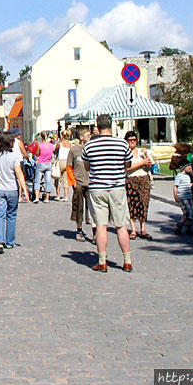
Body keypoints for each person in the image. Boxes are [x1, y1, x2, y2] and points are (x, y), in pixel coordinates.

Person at [81, 114, 134, 273]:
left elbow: (87, 167)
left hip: (98, 188)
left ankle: (102, 261)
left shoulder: (90, 146)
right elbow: (128, 163)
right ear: (111, 125)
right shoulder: (122, 143)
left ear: (97, 126)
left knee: (101, 226)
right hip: (117, 186)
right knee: (121, 225)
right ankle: (127, 261)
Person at [0, 132, 30, 253]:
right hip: (12, 189)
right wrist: (25, 192)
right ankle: (10, 242)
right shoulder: (14, 156)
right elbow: (19, 174)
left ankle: (0, 241)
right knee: (11, 216)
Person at [124, 131, 154, 240]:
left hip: (144, 178)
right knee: (132, 204)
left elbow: (150, 165)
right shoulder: (125, 153)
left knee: (144, 203)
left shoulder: (142, 152)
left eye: (134, 140)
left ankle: (143, 229)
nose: (133, 142)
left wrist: (146, 156)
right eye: (130, 140)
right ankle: (133, 229)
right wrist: (142, 163)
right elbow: (127, 168)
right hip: (131, 180)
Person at [67, 128, 91, 241]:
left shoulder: (92, 149)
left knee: (93, 208)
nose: (90, 137)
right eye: (88, 135)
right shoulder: (74, 150)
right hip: (79, 182)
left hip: (91, 182)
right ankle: (79, 230)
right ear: (81, 137)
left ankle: (95, 232)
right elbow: (69, 166)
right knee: (78, 207)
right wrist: (73, 182)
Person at [172, 158, 193, 236]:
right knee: (187, 212)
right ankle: (180, 225)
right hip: (182, 197)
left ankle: (189, 228)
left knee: (191, 212)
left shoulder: (188, 176)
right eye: (188, 166)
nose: (190, 168)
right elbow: (176, 186)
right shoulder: (179, 176)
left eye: (190, 166)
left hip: (189, 196)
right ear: (183, 167)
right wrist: (176, 196)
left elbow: (188, 186)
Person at [32, 132, 55, 203]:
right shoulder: (51, 145)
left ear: (41, 137)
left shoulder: (40, 145)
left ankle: (36, 197)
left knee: (37, 180)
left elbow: (37, 154)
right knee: (48, 181)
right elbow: (52, 154)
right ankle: (47, 198)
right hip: (48, 163)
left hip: (41, 163)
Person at [54, 136, 71, 202]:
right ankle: (66, 196)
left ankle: (58, 195)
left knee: (58, 178)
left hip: (60, 161)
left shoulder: (59, 144)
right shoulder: (70, 144)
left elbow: (55, 151)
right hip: (67, 161)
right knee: (66, 179)